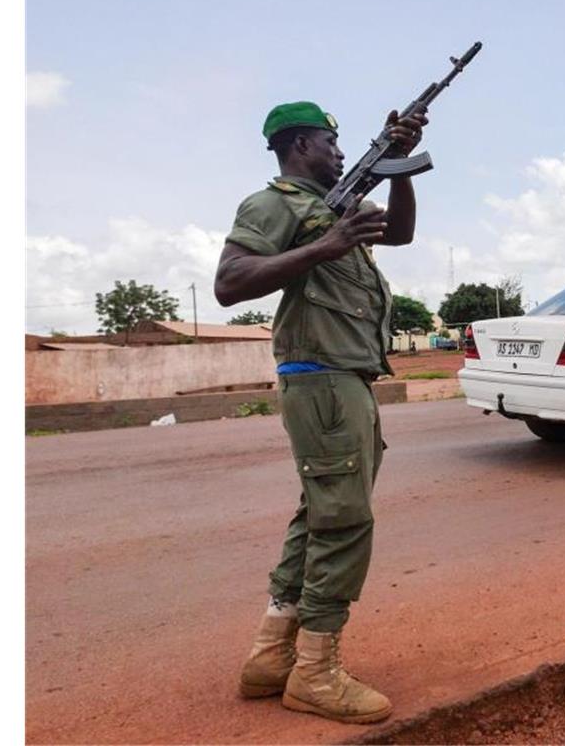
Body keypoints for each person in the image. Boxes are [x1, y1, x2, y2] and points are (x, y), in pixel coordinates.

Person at [214, 100, 427, 724]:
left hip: (346, 377)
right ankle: (315, 672)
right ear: (301, 145)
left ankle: (271, 657)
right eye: (331, 143)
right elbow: (230, 282)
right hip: (322, 378)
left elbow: (403, 233)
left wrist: (399, 166)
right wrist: (324, 246)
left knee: (321, 512)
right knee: (345, 522)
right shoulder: (272, 204)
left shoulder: (342, 204)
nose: (339, 153)